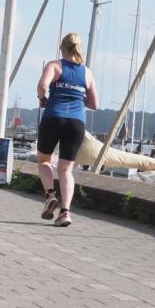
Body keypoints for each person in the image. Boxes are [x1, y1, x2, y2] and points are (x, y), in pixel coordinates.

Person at [36, 32, 99, 228]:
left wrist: (42, 98)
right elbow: (94, 103)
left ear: (62, 48)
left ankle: (50, 196)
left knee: (44, 161)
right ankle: (65, 212)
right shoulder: (86, 72)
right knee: (66, 169)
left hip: (54, 117)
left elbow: (42, 85)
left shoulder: (55, 66)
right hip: (76, 123)